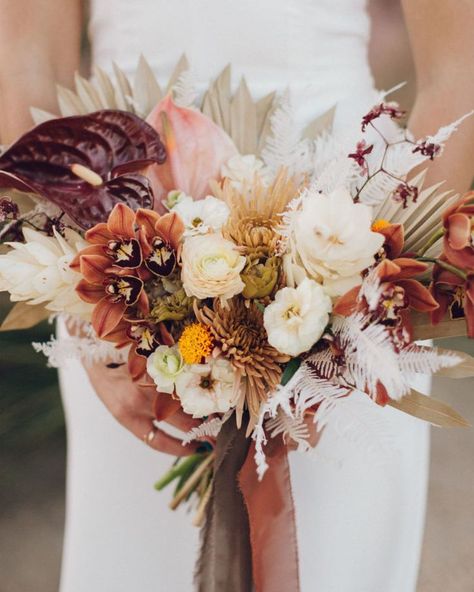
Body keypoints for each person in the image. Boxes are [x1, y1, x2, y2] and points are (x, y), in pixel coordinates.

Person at [0, 1, 473, 590]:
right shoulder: (102, 281)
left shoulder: (364, 269)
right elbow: (27, 55)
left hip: (352, 231)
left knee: (337, 559)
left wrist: (369, 296)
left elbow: (460, 65)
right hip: (117, 241)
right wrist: (80, 290)